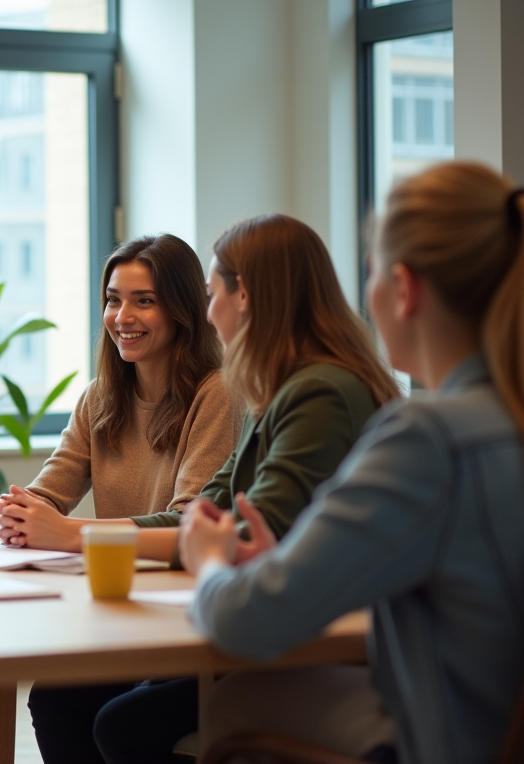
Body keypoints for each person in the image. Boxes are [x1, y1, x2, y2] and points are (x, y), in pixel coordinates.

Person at [170, 161, 524, 764]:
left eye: (371, 274)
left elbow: (247, 621)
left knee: (229, 705)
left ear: (404, 289)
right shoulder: (496, 423)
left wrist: (206, 564)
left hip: (451, 736)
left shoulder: (426, 438)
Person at [93, 214, 401, 764]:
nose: (209, 313)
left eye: (213, 296)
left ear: (247, 297)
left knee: (122, 720)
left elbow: (251, 529)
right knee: (96, 702)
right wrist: (83, 535)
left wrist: (84, 537)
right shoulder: (282, 392)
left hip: (321, 642)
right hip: (292, 623)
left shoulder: (321, 393)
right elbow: (206, 511)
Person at [0, 234, 243, 763]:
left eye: (143, 301)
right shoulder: (100, 396)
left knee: (116, 722)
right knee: (55, 698)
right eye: (112, 299)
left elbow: (187, 523)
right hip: (127, 617)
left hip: (191, 626)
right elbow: (47, 492)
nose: (122, 315)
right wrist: (19, 512)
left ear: (182, 310)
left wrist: (67, 532)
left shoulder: (217, 392)